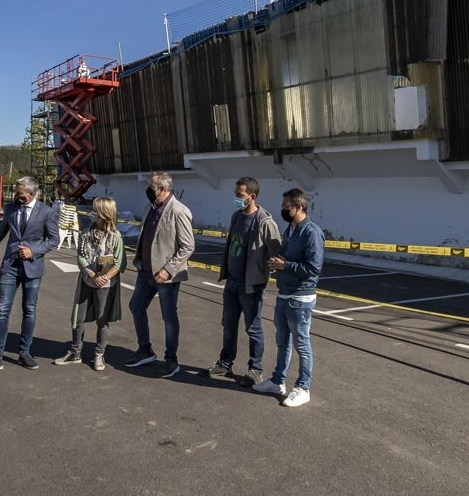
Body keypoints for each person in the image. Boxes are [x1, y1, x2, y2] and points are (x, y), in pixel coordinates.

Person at [0, 176, 59, 373]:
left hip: (33, 267)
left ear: (32, 194)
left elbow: (53, 240)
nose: (16, 196)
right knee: (2, 310)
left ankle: (24, 352)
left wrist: (34, 250)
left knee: (29, 310)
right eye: (16, 192)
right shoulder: (10, 209)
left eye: (20, 193)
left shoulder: (46, 212)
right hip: (10, 267)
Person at [253, 188, 324, 408]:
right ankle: (278, 381)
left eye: (287, 206)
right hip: (284, 294)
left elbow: (314, 268)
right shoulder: (291, 229)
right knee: (282, 342)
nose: (283, 210)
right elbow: (291, 261)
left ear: (299, 206)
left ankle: (303, 388)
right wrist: (279, 263)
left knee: (302, 344)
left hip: (300, 298)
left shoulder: (311, 232)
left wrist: (286, 265)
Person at [207, 177, 281, 387]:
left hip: (251, 286)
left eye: (239, 195)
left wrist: (263, 274)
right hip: (231, 282)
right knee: (228, 326)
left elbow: (276, 253)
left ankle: (255, 369)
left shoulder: (265, 221)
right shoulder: (236, 216)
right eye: (236, 193)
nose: (236, 198)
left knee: (254, 329)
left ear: (252, 196)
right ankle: (225, 363)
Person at [124, 172, 195, 378]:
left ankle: (171, 359)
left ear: (164, 189)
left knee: (169, 317)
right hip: (145, 272)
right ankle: (145, 349)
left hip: (166, 277)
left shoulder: (179, 211)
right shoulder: (150, 207)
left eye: (152, 186)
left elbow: (188, 246)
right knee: (136, 307)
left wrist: (167, 270)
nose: (148, 189)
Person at [54, 197, 124, 371]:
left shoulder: (115, 237)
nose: (92, 213)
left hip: (105, 286)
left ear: (103, 214)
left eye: (95, 210)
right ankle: (75, 352)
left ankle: (99, 354)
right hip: (87, 281)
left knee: (102, 320)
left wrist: (105, 277)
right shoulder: (86, 233)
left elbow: (120, 263)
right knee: (78, 318)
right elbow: (80, 256)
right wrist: (91, 273)